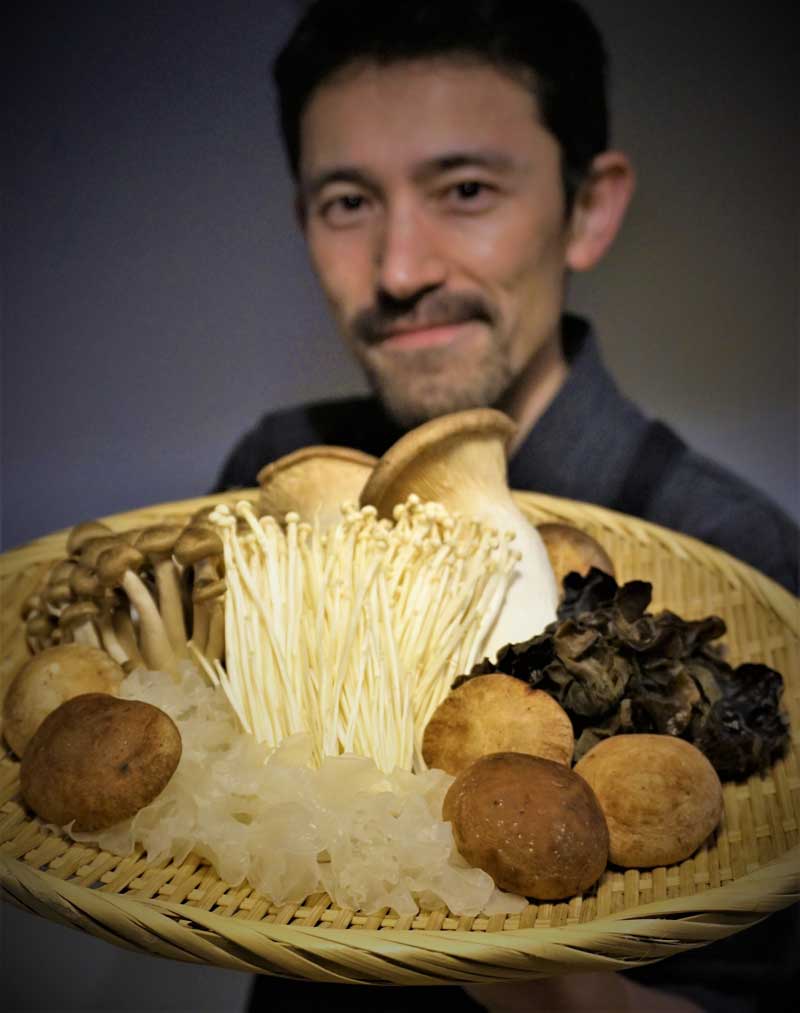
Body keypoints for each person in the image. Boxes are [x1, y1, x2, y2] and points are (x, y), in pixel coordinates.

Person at [215, 2, 799, 1010]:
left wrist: (545, 975)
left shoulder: (733, 552)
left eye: (466, 190)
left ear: (588, 209)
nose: (400, 269)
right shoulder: (273, 475)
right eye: (347, 201)